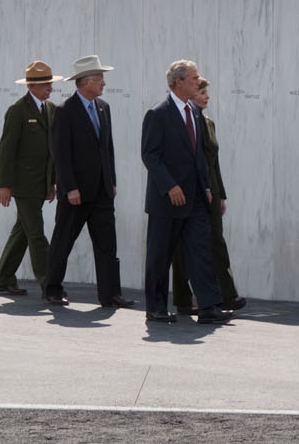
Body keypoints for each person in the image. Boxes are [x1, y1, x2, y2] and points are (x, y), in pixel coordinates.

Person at [140, 59, 228, 325]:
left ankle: (209, 307)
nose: (198, 81)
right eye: (193, 78)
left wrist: (207, 187)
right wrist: (170, 186)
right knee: (160, 255)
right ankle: (155, 308)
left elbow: (199, 156)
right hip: (167, 201)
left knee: (200, 252)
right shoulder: (157, 114)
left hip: (197, 199)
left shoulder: (196, 113)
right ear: (178, 82)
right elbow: (150, 156)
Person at [43, 54, 134, 309]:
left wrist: (112, 181)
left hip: (102, 192)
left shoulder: (104, 108)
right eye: (99, 79)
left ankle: (110, 294)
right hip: (76, 193)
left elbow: (108, 149)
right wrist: (69, 187)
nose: (104, 83)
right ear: (85, 83)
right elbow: (61, 154)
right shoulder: (65, 111)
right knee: (63, 241)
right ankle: (52, 289)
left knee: (107, 246)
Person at [170, 75, 244, 314]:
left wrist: (220, 193)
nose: (207, 97)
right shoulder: (185, 121)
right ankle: (183, 298)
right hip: (192, 190)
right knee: (182, 246)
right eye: (202, 93)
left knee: (216, 242)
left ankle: (227, 294)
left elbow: (214, 163)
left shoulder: (208, 123)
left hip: (210, 191)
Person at [0, 59, 63, 297]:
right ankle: (49, 284)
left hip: (40, 184)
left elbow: (52, 151)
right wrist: (4, 185)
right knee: (36, 233)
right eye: (45, 85)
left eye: (50, 84)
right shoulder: (18, 111)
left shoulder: (51, 109)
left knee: (23, 231)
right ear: (31, 87)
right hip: (23, 185)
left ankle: (3, 277)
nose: (50, 88)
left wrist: (51, 182)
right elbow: (6, 150)